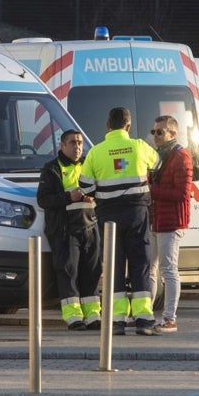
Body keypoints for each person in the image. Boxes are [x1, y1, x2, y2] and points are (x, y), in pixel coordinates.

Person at [79, 106, 159, 336]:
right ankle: (144, 321)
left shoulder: (96, 152)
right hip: (137, 214)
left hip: (109, 216)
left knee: (114, 266)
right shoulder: (139, 146)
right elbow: (158, 166)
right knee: (140, 264)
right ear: (128, 126)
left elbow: (85, 186)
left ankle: (117, 321)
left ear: (107, 126)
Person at [36, 129, 101, 331]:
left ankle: (93, 315)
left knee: (92, 271)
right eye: (72, 143)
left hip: (90, 226)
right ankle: (73, 316)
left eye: (80, 142)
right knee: (68, 271)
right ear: (62, 146)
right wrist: (68, 197)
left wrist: (94, 196)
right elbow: (43, 199)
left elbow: (100, 189)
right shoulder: (52, 169)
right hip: (65, 229)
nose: (78, 147)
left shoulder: (88, 165)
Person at [147, 114, 192, 334]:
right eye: (153, 131)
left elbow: (182, 194)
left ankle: (169, 318)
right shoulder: (156, 156)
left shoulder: (181, 156)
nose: (155, 136)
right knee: (150, 270)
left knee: (169, 270)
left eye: (160, 132)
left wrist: (151, 191)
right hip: (155, 220)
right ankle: (146, 315)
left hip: (172, 222)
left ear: (173, 133)